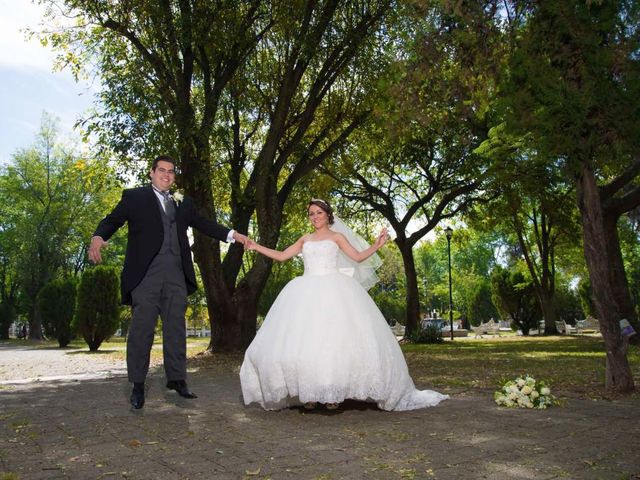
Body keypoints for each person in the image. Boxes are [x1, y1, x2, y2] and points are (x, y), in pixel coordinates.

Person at [239, 199, 448, 411]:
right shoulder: (305, 239)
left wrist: (376, 245)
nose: (315, 217)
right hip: (305, 294)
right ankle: (310, 393)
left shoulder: (337, 237)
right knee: (308, 344)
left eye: (319, 212)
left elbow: (357, 257)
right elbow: (282, 256)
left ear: (328, 215)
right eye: (311, 213)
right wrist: (255, 246)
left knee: (333, 343)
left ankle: (332, 394)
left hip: (334, 290)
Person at [89, 155, 248, 409]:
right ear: (151, 173)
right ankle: (138, 385)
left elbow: (203, 223)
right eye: (161, 170)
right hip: (146, 276)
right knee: (142, 330)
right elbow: (113, 219)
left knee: (176, 328)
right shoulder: (135, 197)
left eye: (171, 171)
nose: (166, 175)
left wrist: (231, 234)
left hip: (176, 274)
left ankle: (177, 379)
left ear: (174, 176)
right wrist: (98, 236)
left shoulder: (183, 202)